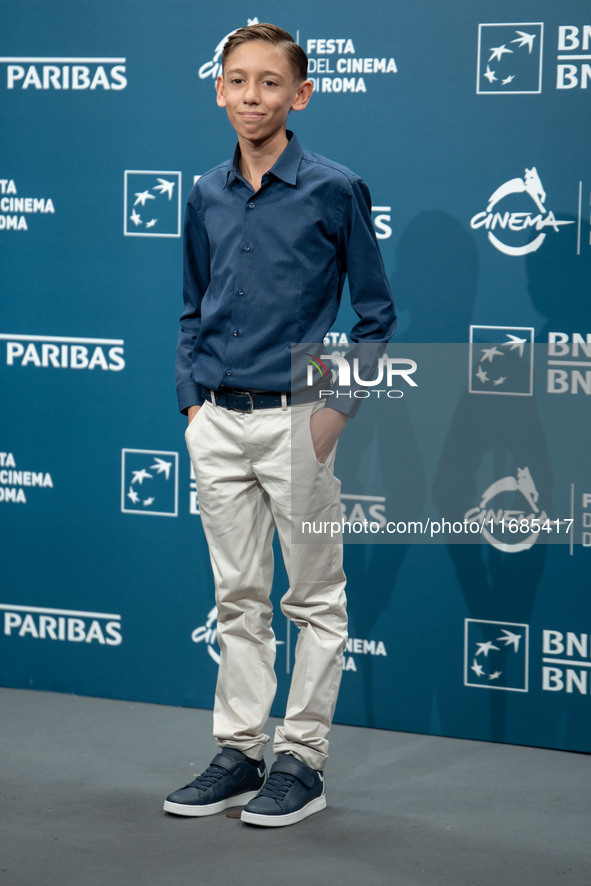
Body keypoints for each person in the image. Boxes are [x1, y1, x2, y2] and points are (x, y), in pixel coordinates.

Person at [164, 22, 395, 827]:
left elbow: (374, 316)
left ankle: (301, 761)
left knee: (314, 600)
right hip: (216, 421)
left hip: (296, 420)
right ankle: (239, 752)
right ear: (218, 88)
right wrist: (193, 399)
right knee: (237, 597)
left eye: (269, 83)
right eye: (237, 81)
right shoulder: (204, 191)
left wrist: (331, 414)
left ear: (300, 95)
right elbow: (193, 305)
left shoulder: (333, 187)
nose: (250, 97)